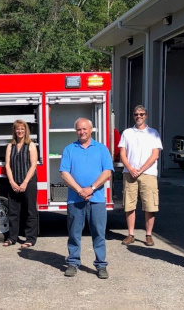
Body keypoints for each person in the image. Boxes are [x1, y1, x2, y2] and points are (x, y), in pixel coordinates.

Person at [60, 118, 113, 280]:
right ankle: (73, 262)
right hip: (75, 200)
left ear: (91, 130)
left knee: (98, 233)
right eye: (78, 129)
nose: (81, 132)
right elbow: (64, 173)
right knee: (74, 233)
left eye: (84, 129)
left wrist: (92, 188)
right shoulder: (69, 149)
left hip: (96, 199)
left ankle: (101, 265)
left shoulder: (101, 149)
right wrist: (79, 190)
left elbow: (108, 172)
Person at [118, 105, 162, 247]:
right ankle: (131, 234)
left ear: (146, 115)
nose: (139, 116)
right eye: (136, 114)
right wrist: (130, 169)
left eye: (142, 114)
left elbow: (155, 155)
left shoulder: (153, 133)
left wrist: (141, 169)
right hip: (129, 173)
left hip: (148, 174)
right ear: (133, 116)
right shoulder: (127, 133)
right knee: (129, 205)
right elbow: (122, 154)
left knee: (150, 205)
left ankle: (148, 235)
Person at [3, 119, 39, 248]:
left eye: (22, 129)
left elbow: (33, 165)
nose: (20, 131)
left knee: (30, 211)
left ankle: (30, 238)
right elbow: (7, 165)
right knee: (13, 212)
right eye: (17, 129)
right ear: (14, 131)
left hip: (28, 182)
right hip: (14, 181)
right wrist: (12, 182)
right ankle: (12, 237)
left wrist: (24, 183)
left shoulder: (31, 145)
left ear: (26, 131)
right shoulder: (10, 146)